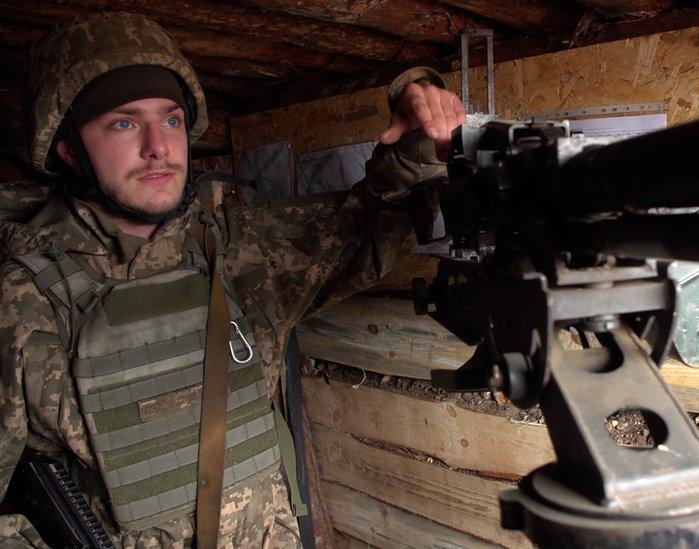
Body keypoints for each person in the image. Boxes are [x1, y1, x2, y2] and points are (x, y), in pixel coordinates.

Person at [0, 11, 464, 547]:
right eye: (123, 123)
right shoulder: (22, 300)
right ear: (66, 149)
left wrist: (420, 131)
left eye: (171, 120)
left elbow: (373, 224)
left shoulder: (239, 250)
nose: (158, 146)